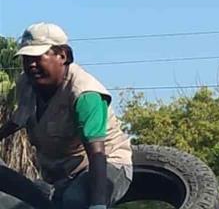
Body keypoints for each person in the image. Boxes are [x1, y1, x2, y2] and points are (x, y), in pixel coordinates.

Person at [0, 22, 132, 209]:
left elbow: (97, 154)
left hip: (104, 166)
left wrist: (97, 205)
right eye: (26, 58)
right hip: (60, 176)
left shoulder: (85, 94)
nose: (31, 64)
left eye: (38, 57)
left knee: (75, 200)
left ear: (63, 56)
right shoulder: (27, 84)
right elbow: (17, 120)